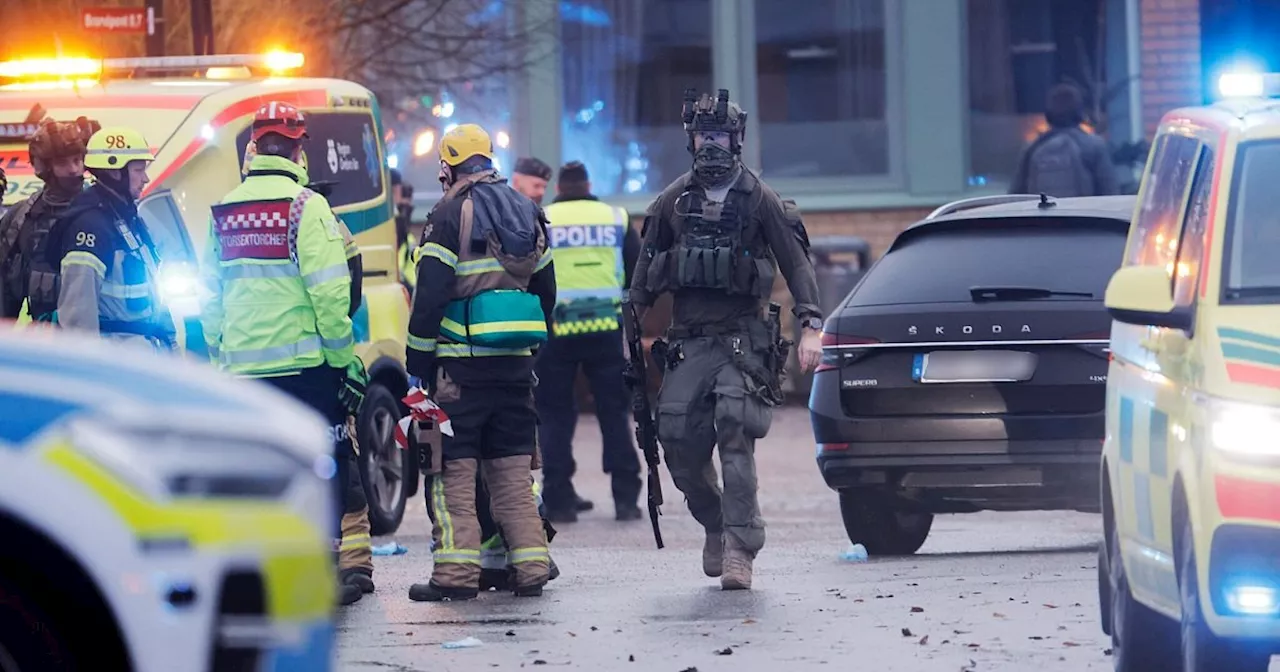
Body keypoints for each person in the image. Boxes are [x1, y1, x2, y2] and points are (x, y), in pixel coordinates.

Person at [629, 89, 823, 591]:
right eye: (702, 136)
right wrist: (628, 329)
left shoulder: (761, 199)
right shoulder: (673, 201)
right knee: (677, 443)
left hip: (742, 337)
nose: (710, 146)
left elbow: (797, 265)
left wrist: (811, 326)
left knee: (735, 432)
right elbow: (645, 274)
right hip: (689, 339)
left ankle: (741, 545)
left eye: (718, 136)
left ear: (735, 140)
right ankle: (715, 522)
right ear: (690, 141)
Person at [199, 102, 373, 607]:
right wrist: (345, 362)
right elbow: (328, 295)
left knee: (260, 471)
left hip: (243, 372)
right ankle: (318, 571)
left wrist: (219, 355)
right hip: (306, 371)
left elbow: (211, 297)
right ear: (298, 149)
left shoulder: (225, 210)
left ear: (253, 148)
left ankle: (266, 572)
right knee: (325, 466)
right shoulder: (306, 207)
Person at [405, 123, 555, 601]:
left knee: (452, 478)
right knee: (513, 475)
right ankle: (531, 569)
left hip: (459, 373)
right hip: (513, 369)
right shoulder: (527, 209)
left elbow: (429, 295)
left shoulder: (448, 212)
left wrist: (418, 361)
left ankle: (454, 577)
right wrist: (528, 350)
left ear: (448, 165)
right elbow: (547, 292)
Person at [536, 160, 643, 523]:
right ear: (589, 185)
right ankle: (626, 497)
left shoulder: (543, 217)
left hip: (556, 329)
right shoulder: (615, 217)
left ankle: (559, 498)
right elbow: (637, 269)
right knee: (614, 413)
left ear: (559, 189)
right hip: (605, 327)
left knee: (554, 415)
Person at [47, 126, 176, 350]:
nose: (145, 178)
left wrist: (171, 346)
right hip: (119, 362)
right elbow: (78, 321)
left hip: (146, 355)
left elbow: (154, 294)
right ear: (115, 172)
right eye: (138, 170)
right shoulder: (90, 228)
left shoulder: (129, 220)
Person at [1, 117, 96, 321]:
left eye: (77, 160)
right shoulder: (20, 219)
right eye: (63, 163)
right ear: (43, 168)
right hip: (46, 342)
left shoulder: (104, 212)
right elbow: (5, 292)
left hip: (99, 341)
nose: (74, 169)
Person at [1009, 82, 1119, 198]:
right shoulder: (1093, 145)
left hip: (1043, 215)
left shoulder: (1033, 148)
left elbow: (1016, 194)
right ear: (1079, 113)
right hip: (1082, 214)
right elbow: (1110, 192)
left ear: (1048, 115)